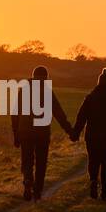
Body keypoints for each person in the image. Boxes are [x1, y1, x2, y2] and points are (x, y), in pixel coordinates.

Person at [11, 65, 73, 201]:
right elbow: (59, 114)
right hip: (42, 133)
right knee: (41, 162)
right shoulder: (47, 92)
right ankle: (37, 191)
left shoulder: (24, 91)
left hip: (25, 132)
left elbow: (15, 113)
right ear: (46, 78)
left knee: (27, 159)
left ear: (33, 76)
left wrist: (16, 134)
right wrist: (70, 131)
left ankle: (27, 179)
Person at [71, 68, 106, 200]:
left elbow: (81, 117)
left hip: (92, 135)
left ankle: (93, 181)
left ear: (98, 82)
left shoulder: (90, 98)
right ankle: (104, 192)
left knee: (93, 160)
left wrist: (75, 133)